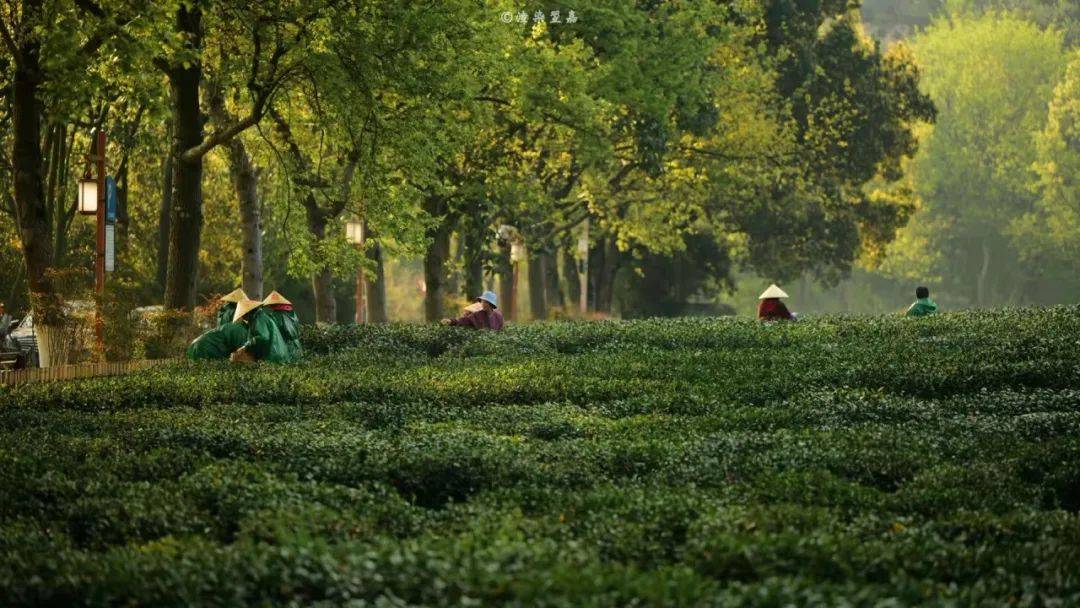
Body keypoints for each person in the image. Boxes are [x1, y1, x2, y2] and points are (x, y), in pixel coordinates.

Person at [232, 298, 291, 363]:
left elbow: (263, 337)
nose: (243, 317)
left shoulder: (259, 319)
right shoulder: (258, 317)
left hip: (274, 355)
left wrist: (246, 346)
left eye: (243, 315)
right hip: (275, 353)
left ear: (248, 313)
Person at [262, 290, 302, 362]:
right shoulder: (292, 313)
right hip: (297, 346)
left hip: (286, 347)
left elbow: (275, 332)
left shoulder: (276, 315)